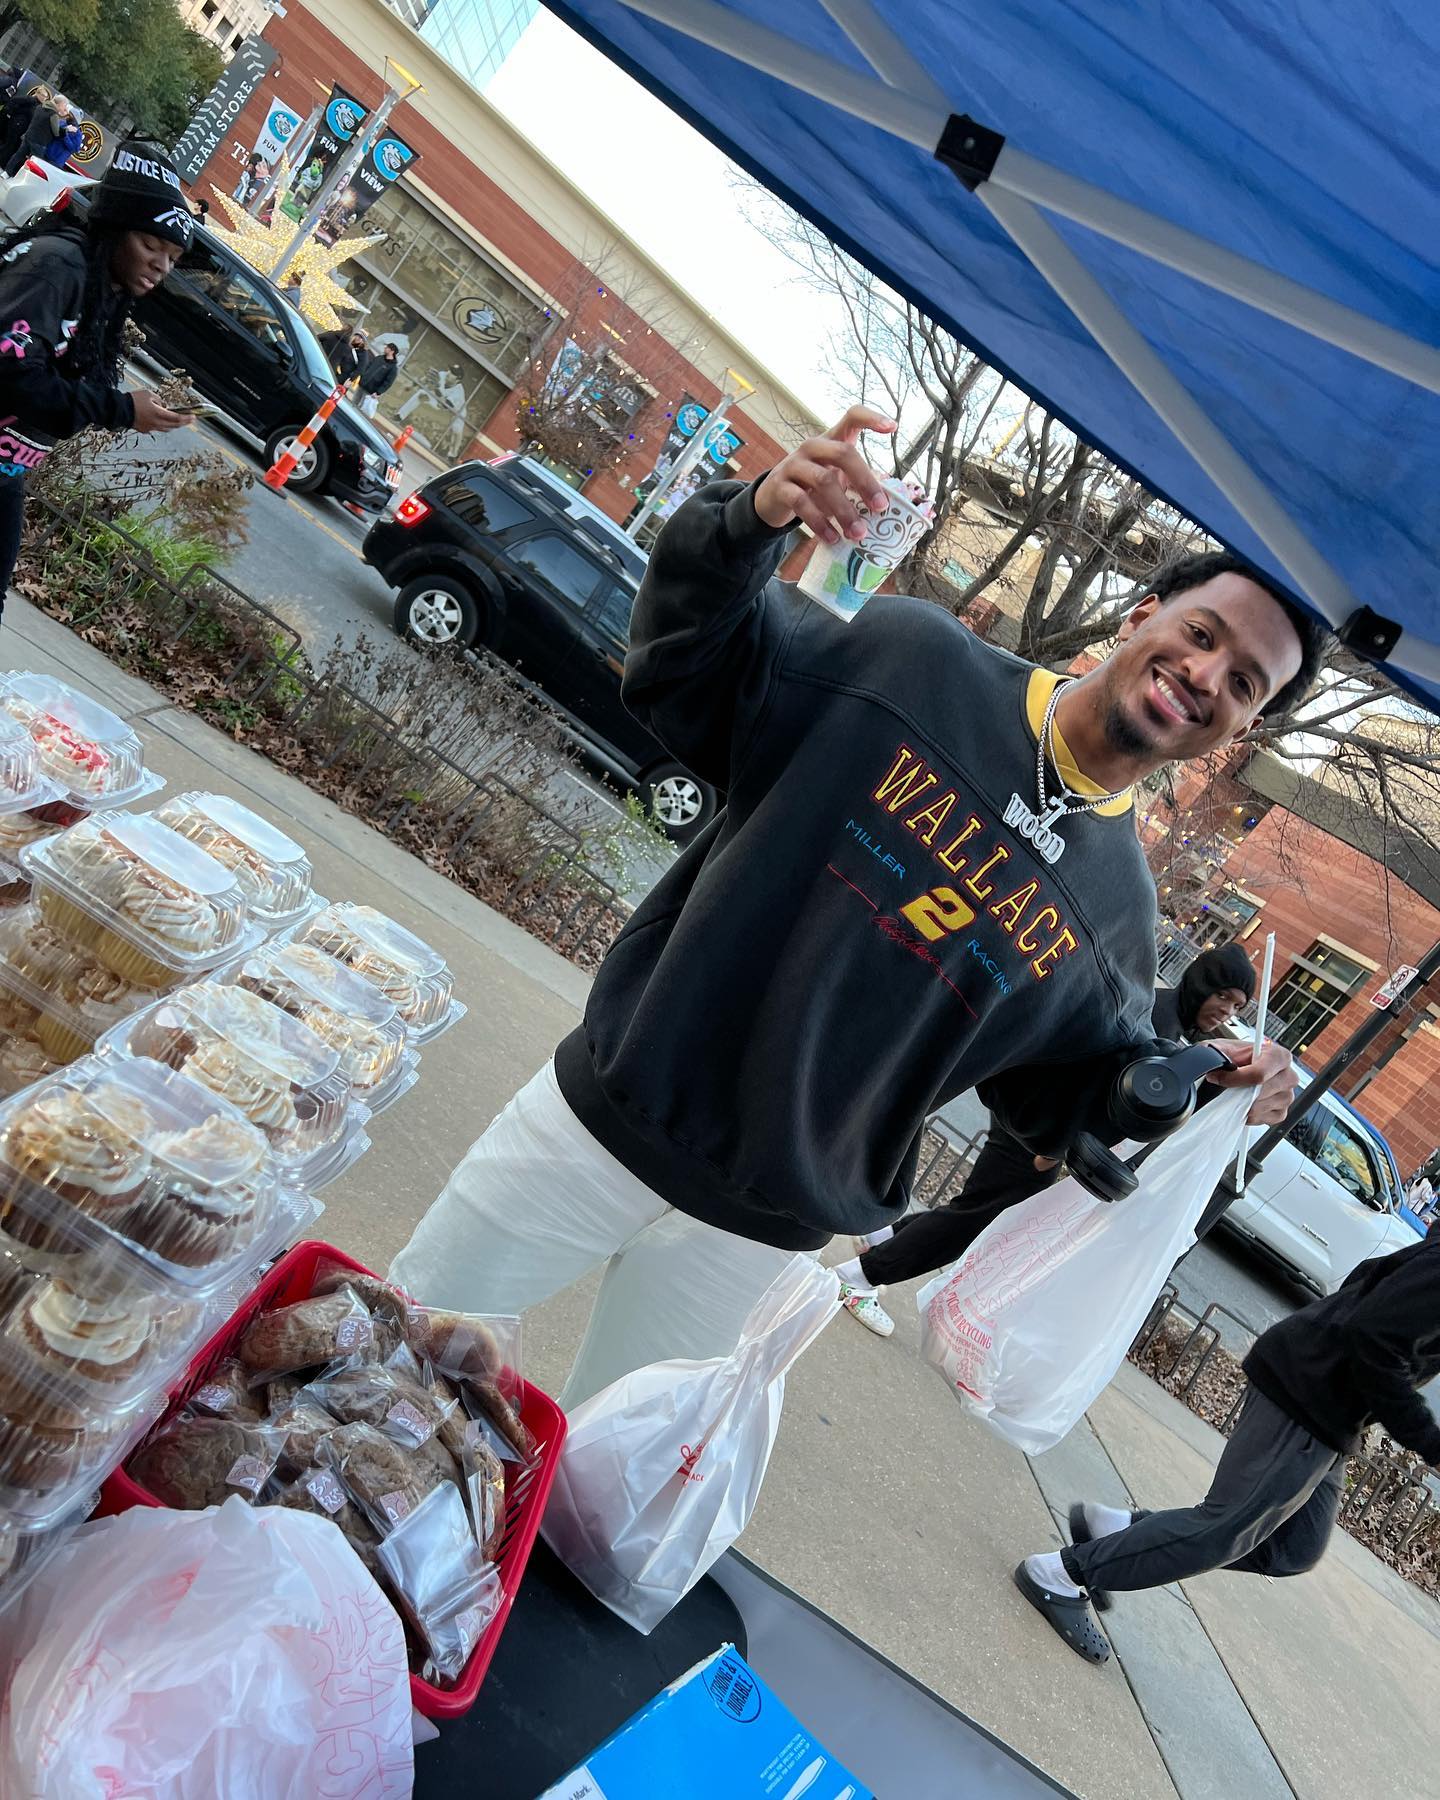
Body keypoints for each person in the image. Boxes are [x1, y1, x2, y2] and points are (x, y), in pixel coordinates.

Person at [389, 405, 1316, 1410]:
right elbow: (685, 674)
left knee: (602, 1487)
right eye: (1201, 634)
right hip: (602, 1120)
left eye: (1243, 682)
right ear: (1140, 616)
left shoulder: (1119, 917)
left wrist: (1213, 1085)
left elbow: (1070, 1106)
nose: (1204, 675)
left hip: (755, 1241)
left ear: (1241, 728)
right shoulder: (913, 660)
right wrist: (745, 521)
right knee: (374, 1363)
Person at [1016, 1225, 1440, 1664]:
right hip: (1307, 1398)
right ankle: (1060, 1574)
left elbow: (1369, 1279)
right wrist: (1430, 1442)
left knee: (1294, 1547)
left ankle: (1113, 1530)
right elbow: (1374, 1337)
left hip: (1329, 1405)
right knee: (1223, 1531)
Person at [835, 942, 1259, 1335]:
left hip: (1042, 1122)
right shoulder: (1160, 1021)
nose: (1226, 1011)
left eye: (1237, 1006)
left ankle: (880, 1242)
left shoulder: (1172, 1022)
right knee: (978, 1221)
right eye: (1222, 996)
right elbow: (1101, 1092)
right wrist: (1051, 1151)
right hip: (1043, 1129)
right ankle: (860, 1277)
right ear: (1202, 983)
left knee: (978, 1210)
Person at [0, 137, 195, 609]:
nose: (161, 265)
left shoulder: (104, 288)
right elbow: (11, 372)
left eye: (173, 256)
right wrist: (121, 409)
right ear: (114, 229)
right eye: (151, 244)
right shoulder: (55, 267)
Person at [0, 84, 48, 176]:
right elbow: (14, 101)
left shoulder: (36, 105)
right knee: (9, 145)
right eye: (43, 96)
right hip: (17, 125)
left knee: (10, 145)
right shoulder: (30, 100)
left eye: (46, 97)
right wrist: (9, 113)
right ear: (38, 94)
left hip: (20, 126)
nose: (45, 98)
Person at [357, 340, 398, 418]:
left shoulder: (393, 368)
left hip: (371, 391)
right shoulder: (379, 358)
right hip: (362, 384)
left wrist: (378, 392)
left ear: (392, 351)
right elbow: (368, 366)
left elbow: (388, 382)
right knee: (353, 403)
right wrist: (363, 376)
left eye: (387, 347)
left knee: (361, 410)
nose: (385, 348)